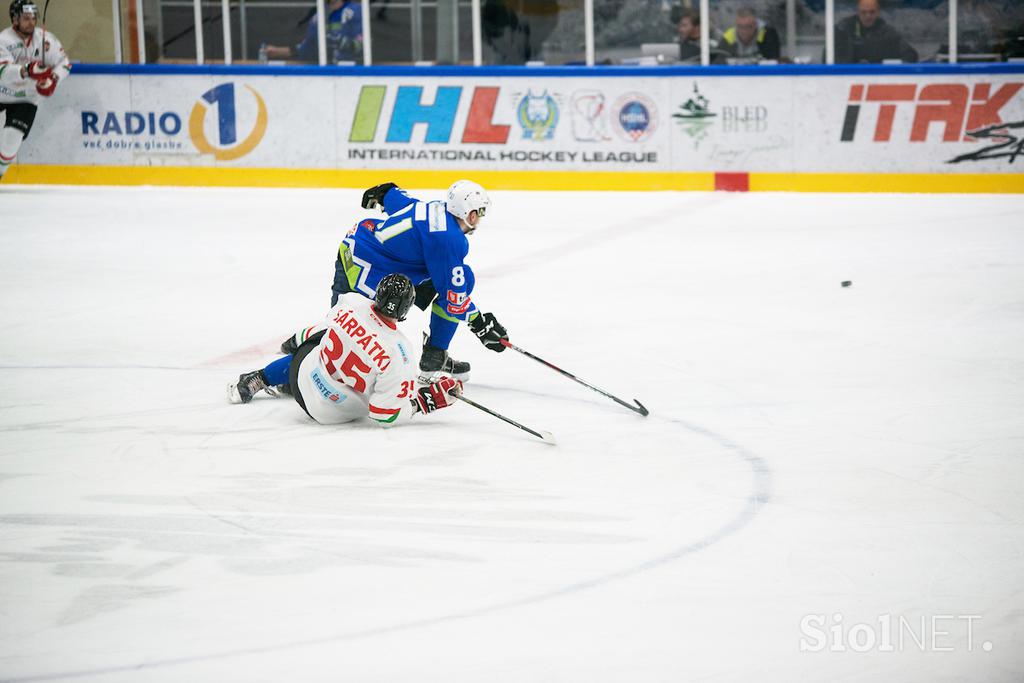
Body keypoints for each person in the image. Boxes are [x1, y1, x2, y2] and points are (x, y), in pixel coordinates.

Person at [229, 274, 464, 427]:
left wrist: (296, 340)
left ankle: (259, 378)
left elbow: (314, 334)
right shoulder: (400, 353)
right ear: (405, 309)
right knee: (385, 378)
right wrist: (425, 401)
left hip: (301, 377)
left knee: (321, 336)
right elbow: (383, 414)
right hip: (329, 414)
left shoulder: (351, 302)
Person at [0, 1, 69, 181]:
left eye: (33, 18)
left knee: (10, 141)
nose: (31, 22)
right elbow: (2, 72)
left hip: (27, 98)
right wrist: (27, 70)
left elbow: (64, 64)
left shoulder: (46, 39)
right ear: (15, 19)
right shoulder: (3, 40)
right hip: (1, 93)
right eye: (26, 18)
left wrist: (52, 80)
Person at [263, 0, 362, 64]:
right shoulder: (318, 15)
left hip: (351, 72)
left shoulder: (356, 10)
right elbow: (307, 48)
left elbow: (362, 47)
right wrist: (278, 52)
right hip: (326, 74)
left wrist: (338, 41)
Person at [834, 0, 918, 63]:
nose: (868, 16)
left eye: (872, 12)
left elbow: (910, 55)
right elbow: (828, 58)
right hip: (849, 79)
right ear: (858, 12)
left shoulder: (887, 32)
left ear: (878, 12)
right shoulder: (844, 29)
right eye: (864, 12)